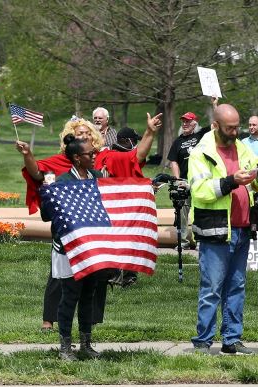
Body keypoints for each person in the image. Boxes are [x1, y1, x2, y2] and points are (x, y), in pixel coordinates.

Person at [17, 118, 105, 332]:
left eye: (87, 133)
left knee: (91, 280)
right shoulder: (60, 170)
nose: (83, 136)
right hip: (66, 234)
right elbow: (37, 173)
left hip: (91, 233)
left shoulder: (96, 169)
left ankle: (87, 329)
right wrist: (28, 155)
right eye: (79, 132)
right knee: (61, 279)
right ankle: (52, 321)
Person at [188, 103, 258, 355]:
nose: (235, 132)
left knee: (236, 286)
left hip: (241, 228)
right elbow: (199, 191)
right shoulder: (200, 153)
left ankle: (232, 339)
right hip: (215, 230)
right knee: (212, 288)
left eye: (237, 127)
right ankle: (203, 342)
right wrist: (232, 181)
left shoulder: (243, 148)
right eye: (229, 128)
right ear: (216, 126)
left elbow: (256, 184)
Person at [47, 134, 105, 361]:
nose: (94, 156)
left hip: (91, 248)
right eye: (90, 154)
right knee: (70, 296)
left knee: (89, 295)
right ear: (76, 158)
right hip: (69, 249)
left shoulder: (97, 177)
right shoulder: (62, 182)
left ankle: (86, 344)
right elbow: (52, 217)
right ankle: (65, 347)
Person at [93, 116, 163, 287]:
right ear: (126, 141)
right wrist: (150, 132)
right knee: (124, 241)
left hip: (106, 211)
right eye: (134, 141)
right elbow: (139, 155)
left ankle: (119, 274)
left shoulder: (104, 155)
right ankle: (120, 276)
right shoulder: (115, 157)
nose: (135, 144)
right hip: (118, 213)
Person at [167, 112, 211, 250]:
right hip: (184, 181)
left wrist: (215, 104)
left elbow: (216, 124)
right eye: (183, 122)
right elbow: (173, 162)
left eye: (188, 121)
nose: (185, 124)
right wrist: (178, 180)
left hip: (200, 180)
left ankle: (199, 241)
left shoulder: (201, 135)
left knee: (199, 211)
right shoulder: (178, 141)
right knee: (182, 212)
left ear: (195, 123)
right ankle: (184, 242)